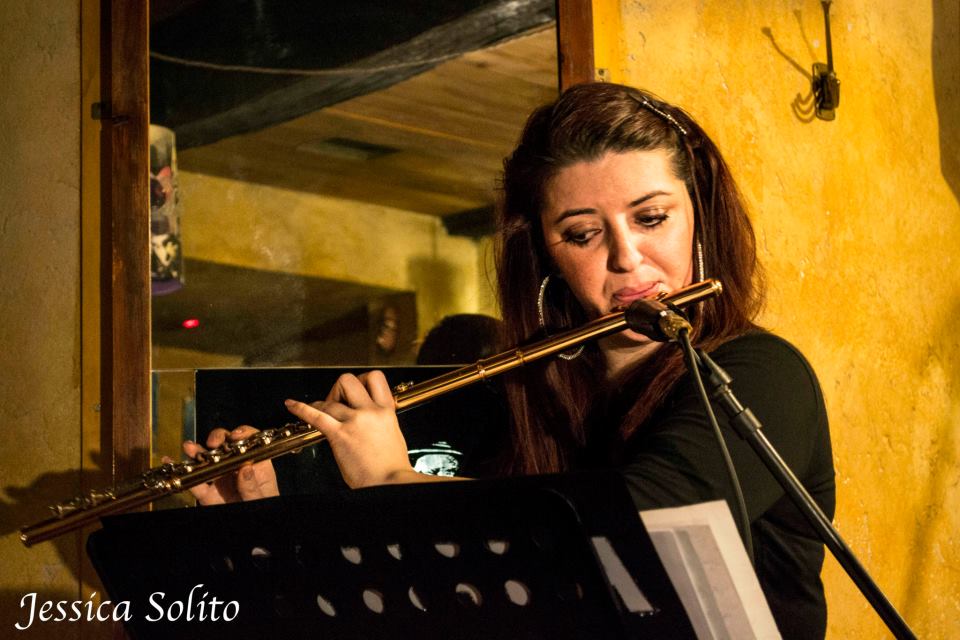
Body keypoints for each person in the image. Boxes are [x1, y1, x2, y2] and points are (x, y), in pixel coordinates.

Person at [184, 83, 835, 639]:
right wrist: (261, 526)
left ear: (700, 217)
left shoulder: (758, 373)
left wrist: (389, 478)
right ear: (547, 255)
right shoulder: (530, 397)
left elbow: (635, 526)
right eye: (583, 233)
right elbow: (436, 597)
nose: (626, 257)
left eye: (652, 218)